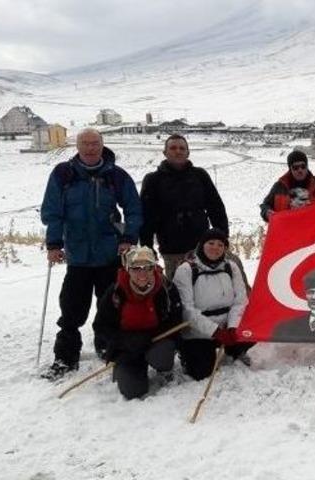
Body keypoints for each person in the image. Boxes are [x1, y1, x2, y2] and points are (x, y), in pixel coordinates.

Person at [40, 128, 142, 380]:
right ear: (77, 146)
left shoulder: (116, 176)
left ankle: (107, 347)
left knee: (110, 307)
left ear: (102, 145)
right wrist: (54, 244)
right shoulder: (63, 174)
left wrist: (128, 239)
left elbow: (133, 209)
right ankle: (65, 357)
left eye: (94, 143)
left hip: (110, 254)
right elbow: (52, 211)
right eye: (85, 144)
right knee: (72, 310)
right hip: (78, 256)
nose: (90, 148)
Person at [93, 247, 182, 400]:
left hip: (155, 342)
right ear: (128, 269)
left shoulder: (165, 288)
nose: (142, 273)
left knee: (163, 353)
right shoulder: (115, 292)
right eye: (136, 268)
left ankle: (164, 370)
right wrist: (124, 341)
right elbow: (100, 326)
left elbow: (176, 319)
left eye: (148, 267)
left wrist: (151, 336)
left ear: (154, 267)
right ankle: (126, 370)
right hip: (126, 348)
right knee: (133, 391)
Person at [139, 134, 230, 279]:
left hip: (202, 247)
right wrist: (147, 247)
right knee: (177, 293)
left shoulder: (200, 176)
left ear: (188, 152)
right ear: (165, 152)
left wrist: (222, 237)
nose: (178, 151)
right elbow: (146, 217)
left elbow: (216, 207)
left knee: (206, 289)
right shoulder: (153, 180)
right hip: (171, 249)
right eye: (173, 148)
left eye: (182, 148)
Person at [172, 228, 252, 380]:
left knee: (253, 330)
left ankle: (234, 350)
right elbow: (187, 310)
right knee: (201, 373)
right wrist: (215, 331)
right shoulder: (186, 270)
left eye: (220, 245)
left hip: (227, 325)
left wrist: (233, 326)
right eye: (211, 243)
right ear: (201, 245)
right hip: (199, 330)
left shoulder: (230, 267)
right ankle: (187, 353)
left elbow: (240, 300)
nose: (216, 248)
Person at [259, 150, 315, 222]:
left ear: (307, 166)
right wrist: (267, 212)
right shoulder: (279, 187)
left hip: (314, 236)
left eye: (303, 166)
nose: (300, 170)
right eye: (295, 167)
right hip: (289, 236)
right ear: (290, 169)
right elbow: (265, 205)